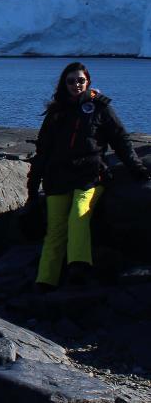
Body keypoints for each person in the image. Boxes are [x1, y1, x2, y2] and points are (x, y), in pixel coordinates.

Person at [28, 62, 148, 290]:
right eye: (71, 81)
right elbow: (43, 150)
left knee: (79, 215)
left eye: (80, 80)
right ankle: (45, 280)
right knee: (54, 230)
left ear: (88, 82)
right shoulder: (56, 112)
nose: (76, 85)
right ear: (64, 84)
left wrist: (136, 168)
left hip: (90, 175)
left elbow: (120, 140)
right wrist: (33, 185)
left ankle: (78, 268)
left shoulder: (101, 108)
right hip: (58, 178)